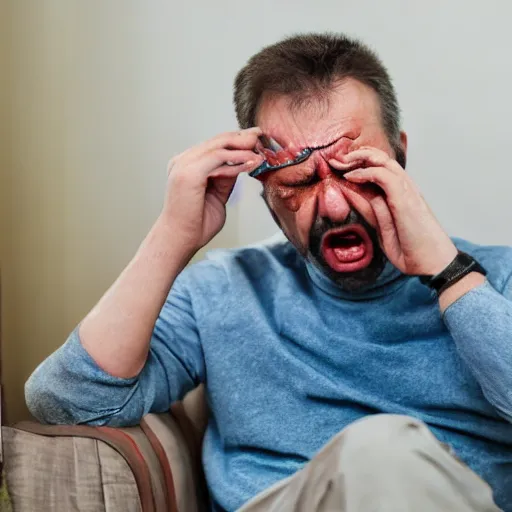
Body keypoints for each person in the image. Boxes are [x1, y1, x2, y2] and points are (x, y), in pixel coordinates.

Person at [25, 33, 512, 512]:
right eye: (297, 181)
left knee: (385, 453)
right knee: (376, 452)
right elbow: (67, 398)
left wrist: (450, 273)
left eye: (354, 169)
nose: (335, 205)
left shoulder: (496, 281)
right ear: (263, 189)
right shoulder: (224, 292)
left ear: (400, 156)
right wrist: (174, 233)